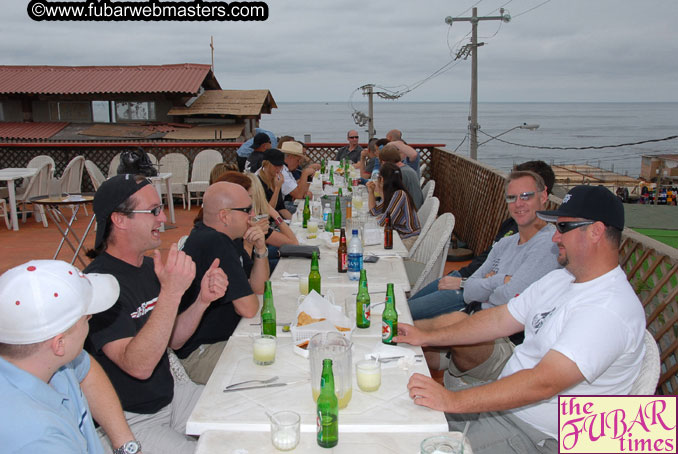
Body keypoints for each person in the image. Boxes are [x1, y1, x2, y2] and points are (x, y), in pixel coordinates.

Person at [397, 184, 645, 454]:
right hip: (507, 405)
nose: (554, 238)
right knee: (403, 419)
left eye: (563, 228)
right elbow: (498, 319)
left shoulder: (608, 309)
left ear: (596, 231)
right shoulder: (561, 279)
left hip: (539, 435)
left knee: (417, 444)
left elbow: (544, 382)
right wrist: (426, 336)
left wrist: (452, 400)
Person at [84, 174, 228, 454]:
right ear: (120, 220)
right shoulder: (98, 286)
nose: (163, 218)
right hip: (131, 420)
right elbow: (138, 365)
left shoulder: (149, 268)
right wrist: (172, 293)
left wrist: (201, 301)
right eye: (153, 211)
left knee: (246, 414)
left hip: (173, 396)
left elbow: (171, 340)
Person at [0, 259, 140, 454]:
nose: (91, 320)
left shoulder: (45, 362)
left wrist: (125, 445)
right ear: (59, 344)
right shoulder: (37, 439)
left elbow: (87, 368)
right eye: (86, 318)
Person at [175, 181, 269, 384]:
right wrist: (246, 297)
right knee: (270, 367)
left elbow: (259, 288)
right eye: (247, 210)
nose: (252, 216)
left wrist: (260, 249)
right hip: (202, 353)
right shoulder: (214, 243)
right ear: (225, 216)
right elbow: (249, 308)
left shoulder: (227, 238)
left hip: (223, 339)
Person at [458, 161, 556, 279]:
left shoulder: (549, 244)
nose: (518, 203)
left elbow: (514, 285)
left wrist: (488, 281)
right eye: (512, 196)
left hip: (469, 284)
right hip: (468, 277)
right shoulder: (509, 230)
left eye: (526, 195)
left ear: (543, 195)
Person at [367, 162, 421, 250]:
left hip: (408, 239)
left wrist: (380, 190)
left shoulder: (399, 194)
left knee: (374, 247)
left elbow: (383, 223)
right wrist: (371, 192)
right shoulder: (393, 194)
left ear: (382, 179)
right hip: (399, 235)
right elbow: (373, 212)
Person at [378, 143, 424, 209]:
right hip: (415, 206)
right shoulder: (406, 169)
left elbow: (390, 200)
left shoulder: (399, 173)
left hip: (410, 210)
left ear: (383, 162)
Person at [256, 148, 292, 220]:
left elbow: (281, 208)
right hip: (266, 223)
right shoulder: (258, 182)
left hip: (278, 220)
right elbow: (267, 213)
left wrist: (294, 221)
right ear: (266, 164)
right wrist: (277, 188)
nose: (278, 169)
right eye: (275, 166)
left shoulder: (275, 180)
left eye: (280, 166)